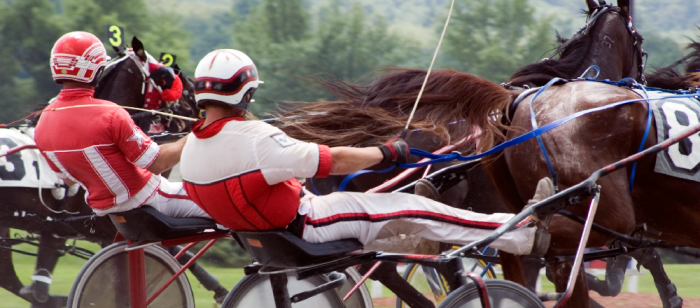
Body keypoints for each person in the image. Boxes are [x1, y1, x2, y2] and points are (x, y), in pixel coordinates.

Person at [180, 49, 554, 256]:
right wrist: (389, 152)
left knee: (391, 213)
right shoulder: (257, 139)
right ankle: (518, 233)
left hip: (269, 231)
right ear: (247, 94)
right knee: (413, 207)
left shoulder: (192, 149)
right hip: (307, 226)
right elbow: (334, 161)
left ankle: (421, 238)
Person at [34, 31, 208, 219]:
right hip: (148, 198)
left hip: (105, 209)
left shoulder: (42, 122)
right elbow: (157, 163)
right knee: (225, 204)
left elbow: (67, 179)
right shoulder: (111, 114)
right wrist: (198, 132)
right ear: (97, 70)